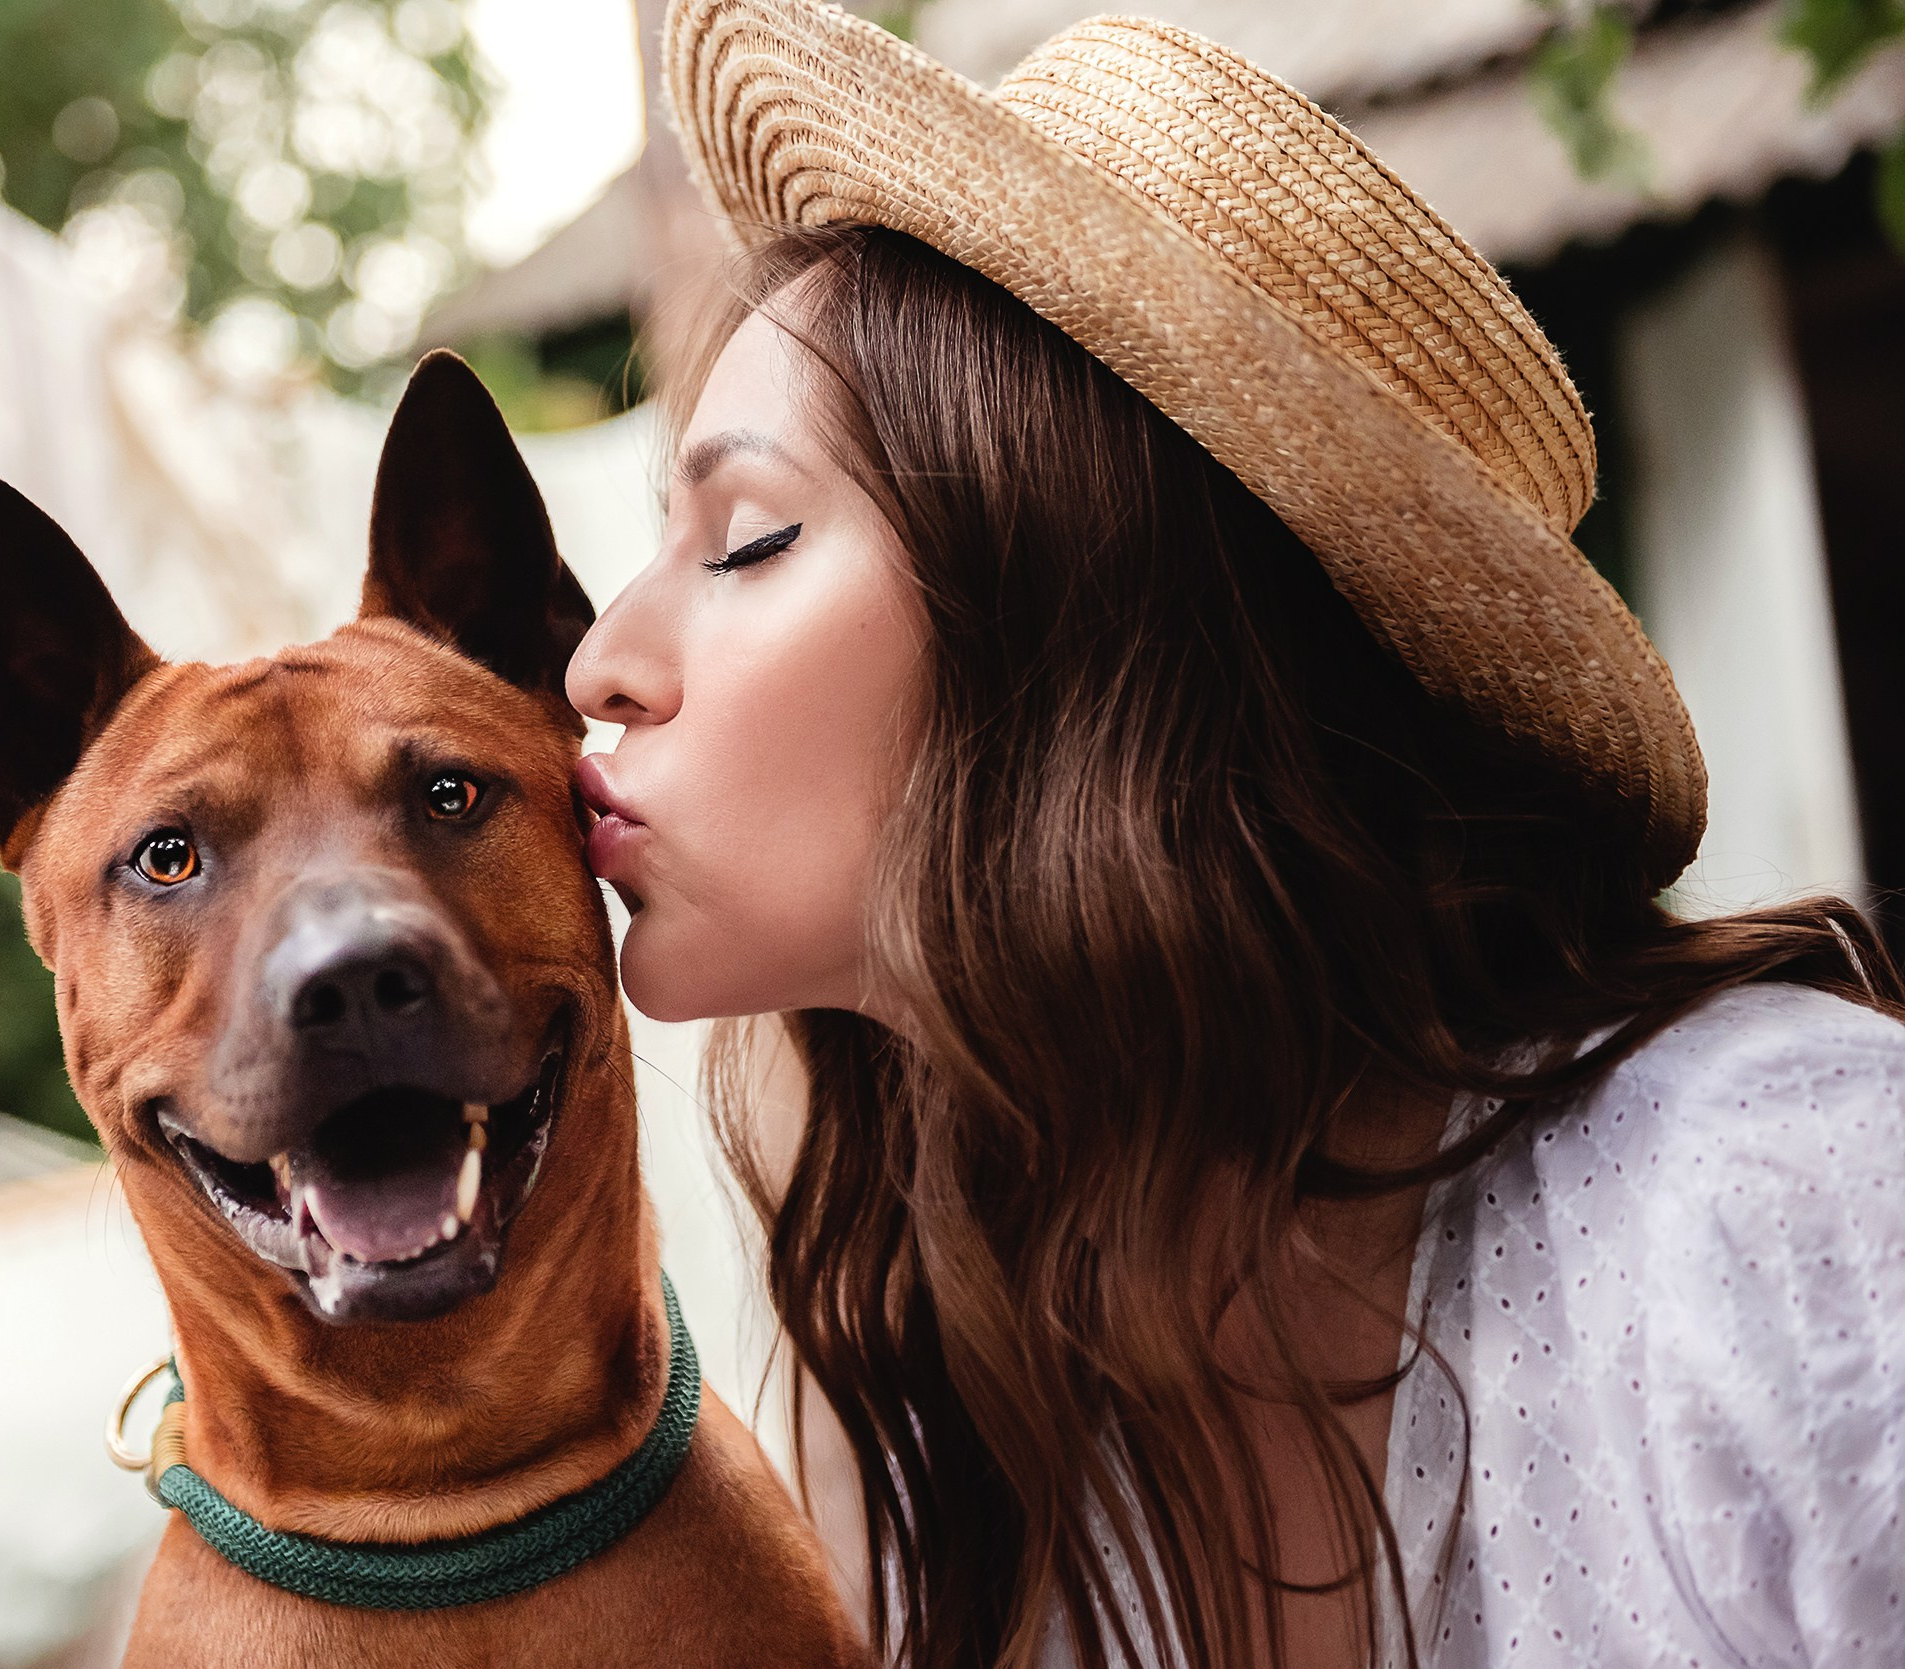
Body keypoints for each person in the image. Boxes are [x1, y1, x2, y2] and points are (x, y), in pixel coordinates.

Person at [563, 4, 1905, 1667]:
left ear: (1077, 614)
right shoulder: (956, 1419)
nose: (596, 663)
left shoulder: (1789, 1211)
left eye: (747, 537)